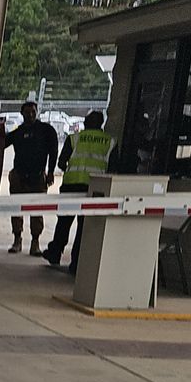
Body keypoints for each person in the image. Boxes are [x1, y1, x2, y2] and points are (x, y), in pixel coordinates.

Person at [44, 110, 114, 271]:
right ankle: (76, 262)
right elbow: (113, 168)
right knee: (84, 227)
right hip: (94, 188)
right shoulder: (110, 142)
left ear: (86, 123)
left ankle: (55, 253)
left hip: (71, 185)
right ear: (101, 124)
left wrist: (72, 170)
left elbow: (61, 163)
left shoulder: (74, 138)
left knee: (64, 222)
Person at [6, 101, 58, 256]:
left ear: (37, 112)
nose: (30, 115)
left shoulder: (46, 130)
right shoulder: (18, 132)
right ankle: (17, 240)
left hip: (38, 176)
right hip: (19, 176)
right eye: (27, 112)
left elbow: (53, 152)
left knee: (37, 210)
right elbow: (1, 144)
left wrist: (51, 172)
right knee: (16, 209)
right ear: (21, 114)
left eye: (33, 112)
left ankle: (35, 243)